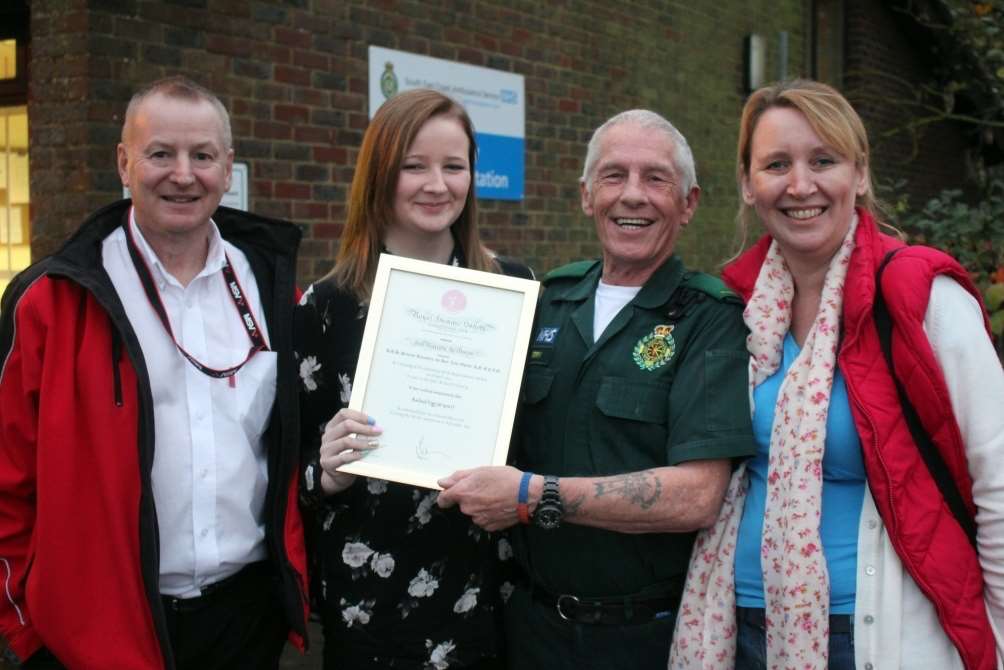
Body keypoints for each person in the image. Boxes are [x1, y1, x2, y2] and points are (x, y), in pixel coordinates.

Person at [669, 79, 1004, 670]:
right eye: (777, 164)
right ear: (749, 184)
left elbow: (996, 483)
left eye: (823, 160)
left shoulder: (922, 299)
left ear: (861, 175)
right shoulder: (734, 308)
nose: (801, 185)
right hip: (736, 628)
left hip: (875, 634)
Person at [0, 76, 308, 669]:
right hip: (98, 630)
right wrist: (27, 637)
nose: (183, 175)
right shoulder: (51, 301)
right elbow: (7, 477)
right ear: (123, 161)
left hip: (245, 621)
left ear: (228, 165)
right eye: (160, 154)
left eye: (203, 156)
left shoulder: (274, 293)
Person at [436, 109, 756, 669]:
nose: (633, 195)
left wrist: (531, 496)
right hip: (529, 628)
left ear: (689, 203)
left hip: (642, 637)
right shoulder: (546, 301)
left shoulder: (709, 317)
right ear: (587, 196)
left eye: (655, 178)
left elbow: (698, 495)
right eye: (614, 176)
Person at [295, 88, 533, 670]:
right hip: (370, 600)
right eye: (414, 166)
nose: (437, 184)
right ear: (380, 175)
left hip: (486, 584)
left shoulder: (512, 291)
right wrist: (324, 471)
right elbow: (288, 472)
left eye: (454, 166)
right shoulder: (325, 306)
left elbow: (531, 436)